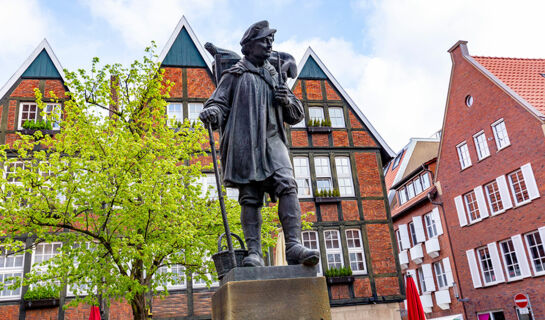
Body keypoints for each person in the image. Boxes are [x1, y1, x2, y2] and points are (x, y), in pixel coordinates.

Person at [200, 21, 319, 267]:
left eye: (270, 42)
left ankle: (293, 245)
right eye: (264, 41)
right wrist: (212, 112)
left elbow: (296, 115)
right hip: (245, 144)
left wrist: (287, 100)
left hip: (274, 141)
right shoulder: (235, 74)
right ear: (249, 46)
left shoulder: (275, 74)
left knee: (287, 184)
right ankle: (253, 252)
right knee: (250, 196)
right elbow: (218, 103)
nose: (269, 45)